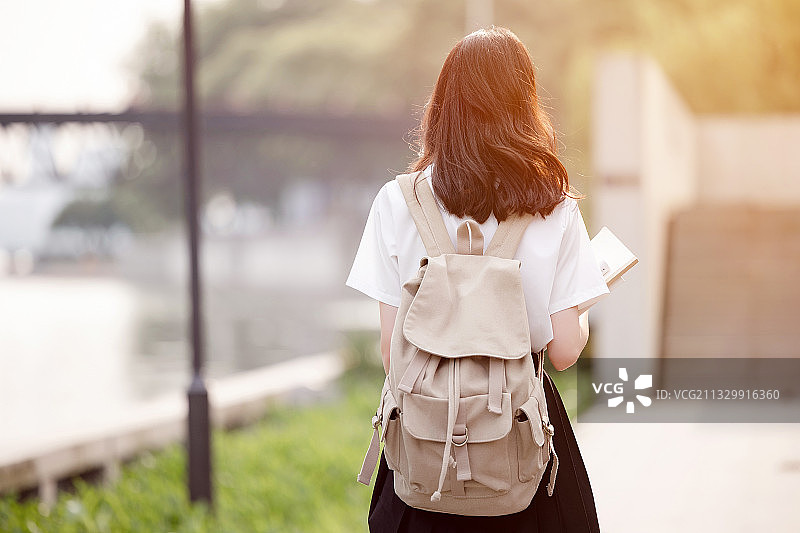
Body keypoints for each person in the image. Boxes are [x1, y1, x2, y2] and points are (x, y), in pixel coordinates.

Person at [345, 26, 609, 533]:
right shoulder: (552, 207)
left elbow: (389, 349)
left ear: (443, 106)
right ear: (525, 106)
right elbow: (564, 351)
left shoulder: (397, 201)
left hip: (423, 440)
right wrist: (584, 300)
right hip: (517, 435)